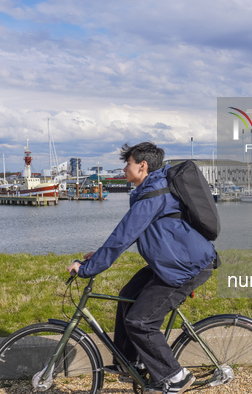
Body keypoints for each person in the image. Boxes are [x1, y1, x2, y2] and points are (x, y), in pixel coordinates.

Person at [67, 142, 217, 394]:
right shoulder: (149, 190)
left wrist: (87, 269)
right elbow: (126, 235)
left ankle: (176, 376)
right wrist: (98, 256)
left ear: (142, 165)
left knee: (141, 322)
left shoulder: (153, 194)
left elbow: (122, 236)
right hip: (171, 262)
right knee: (127, 296)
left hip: (186, 266)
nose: (124, 168)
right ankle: (131, 362)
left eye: (128, 163)